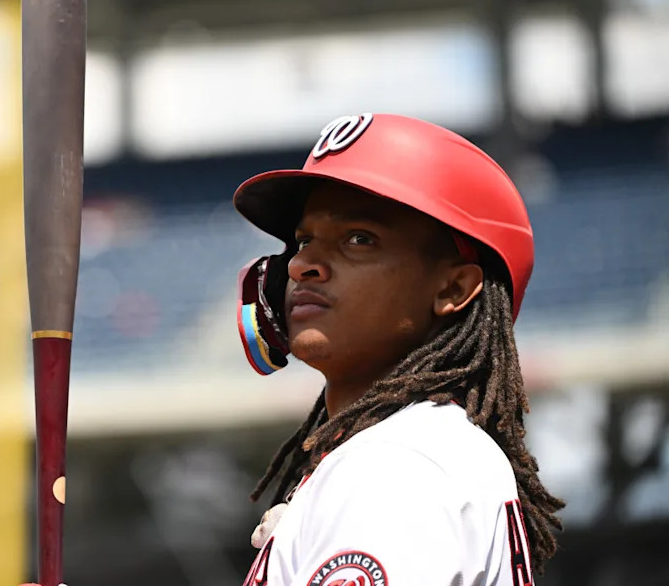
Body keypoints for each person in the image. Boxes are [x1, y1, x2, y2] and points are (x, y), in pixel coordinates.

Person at [235, 113, 563, 586]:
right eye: (304, 240)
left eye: (358, 239)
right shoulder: (406, 456)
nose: (303, 263)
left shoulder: (395, 471)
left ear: (452, 288)